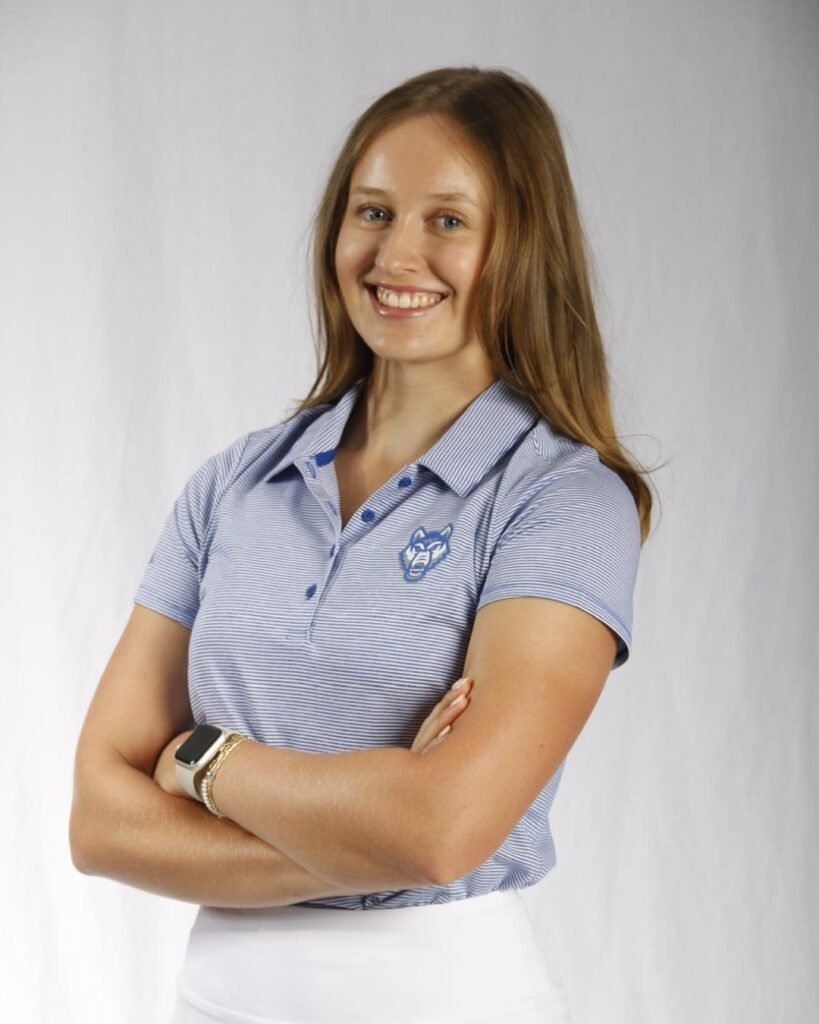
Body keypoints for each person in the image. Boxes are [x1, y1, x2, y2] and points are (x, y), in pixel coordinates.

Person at [70, 65, 658, 1023]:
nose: (398, 253)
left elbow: (441, 831)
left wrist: (203, 762)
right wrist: (368, 821)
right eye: (373, 211)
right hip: (213, 999)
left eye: (449, 220)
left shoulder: (560, 501)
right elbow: (99, 824)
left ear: (522, 249)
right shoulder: (234, 484)